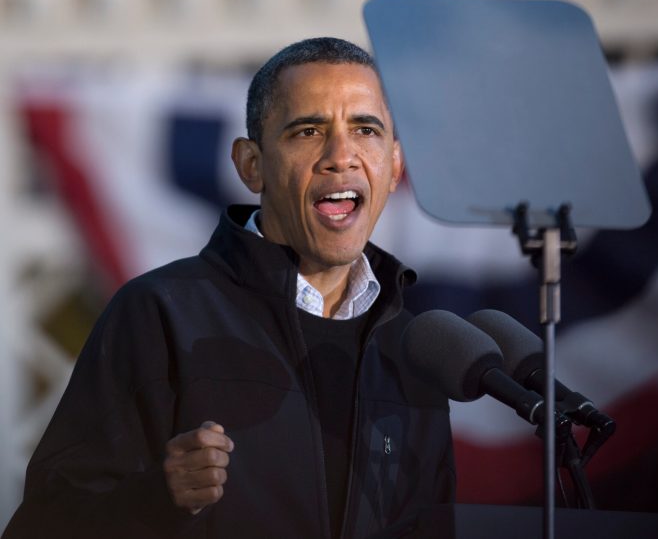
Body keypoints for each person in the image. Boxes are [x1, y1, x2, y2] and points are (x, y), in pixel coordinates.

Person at [3, 37, 456, 539]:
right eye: (308, 130)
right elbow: (41, 525)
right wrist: (156, 497)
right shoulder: (159, 314)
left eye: (365, 130)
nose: (340, 156)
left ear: (394, 166)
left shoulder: (414, 352)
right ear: (251, 165)